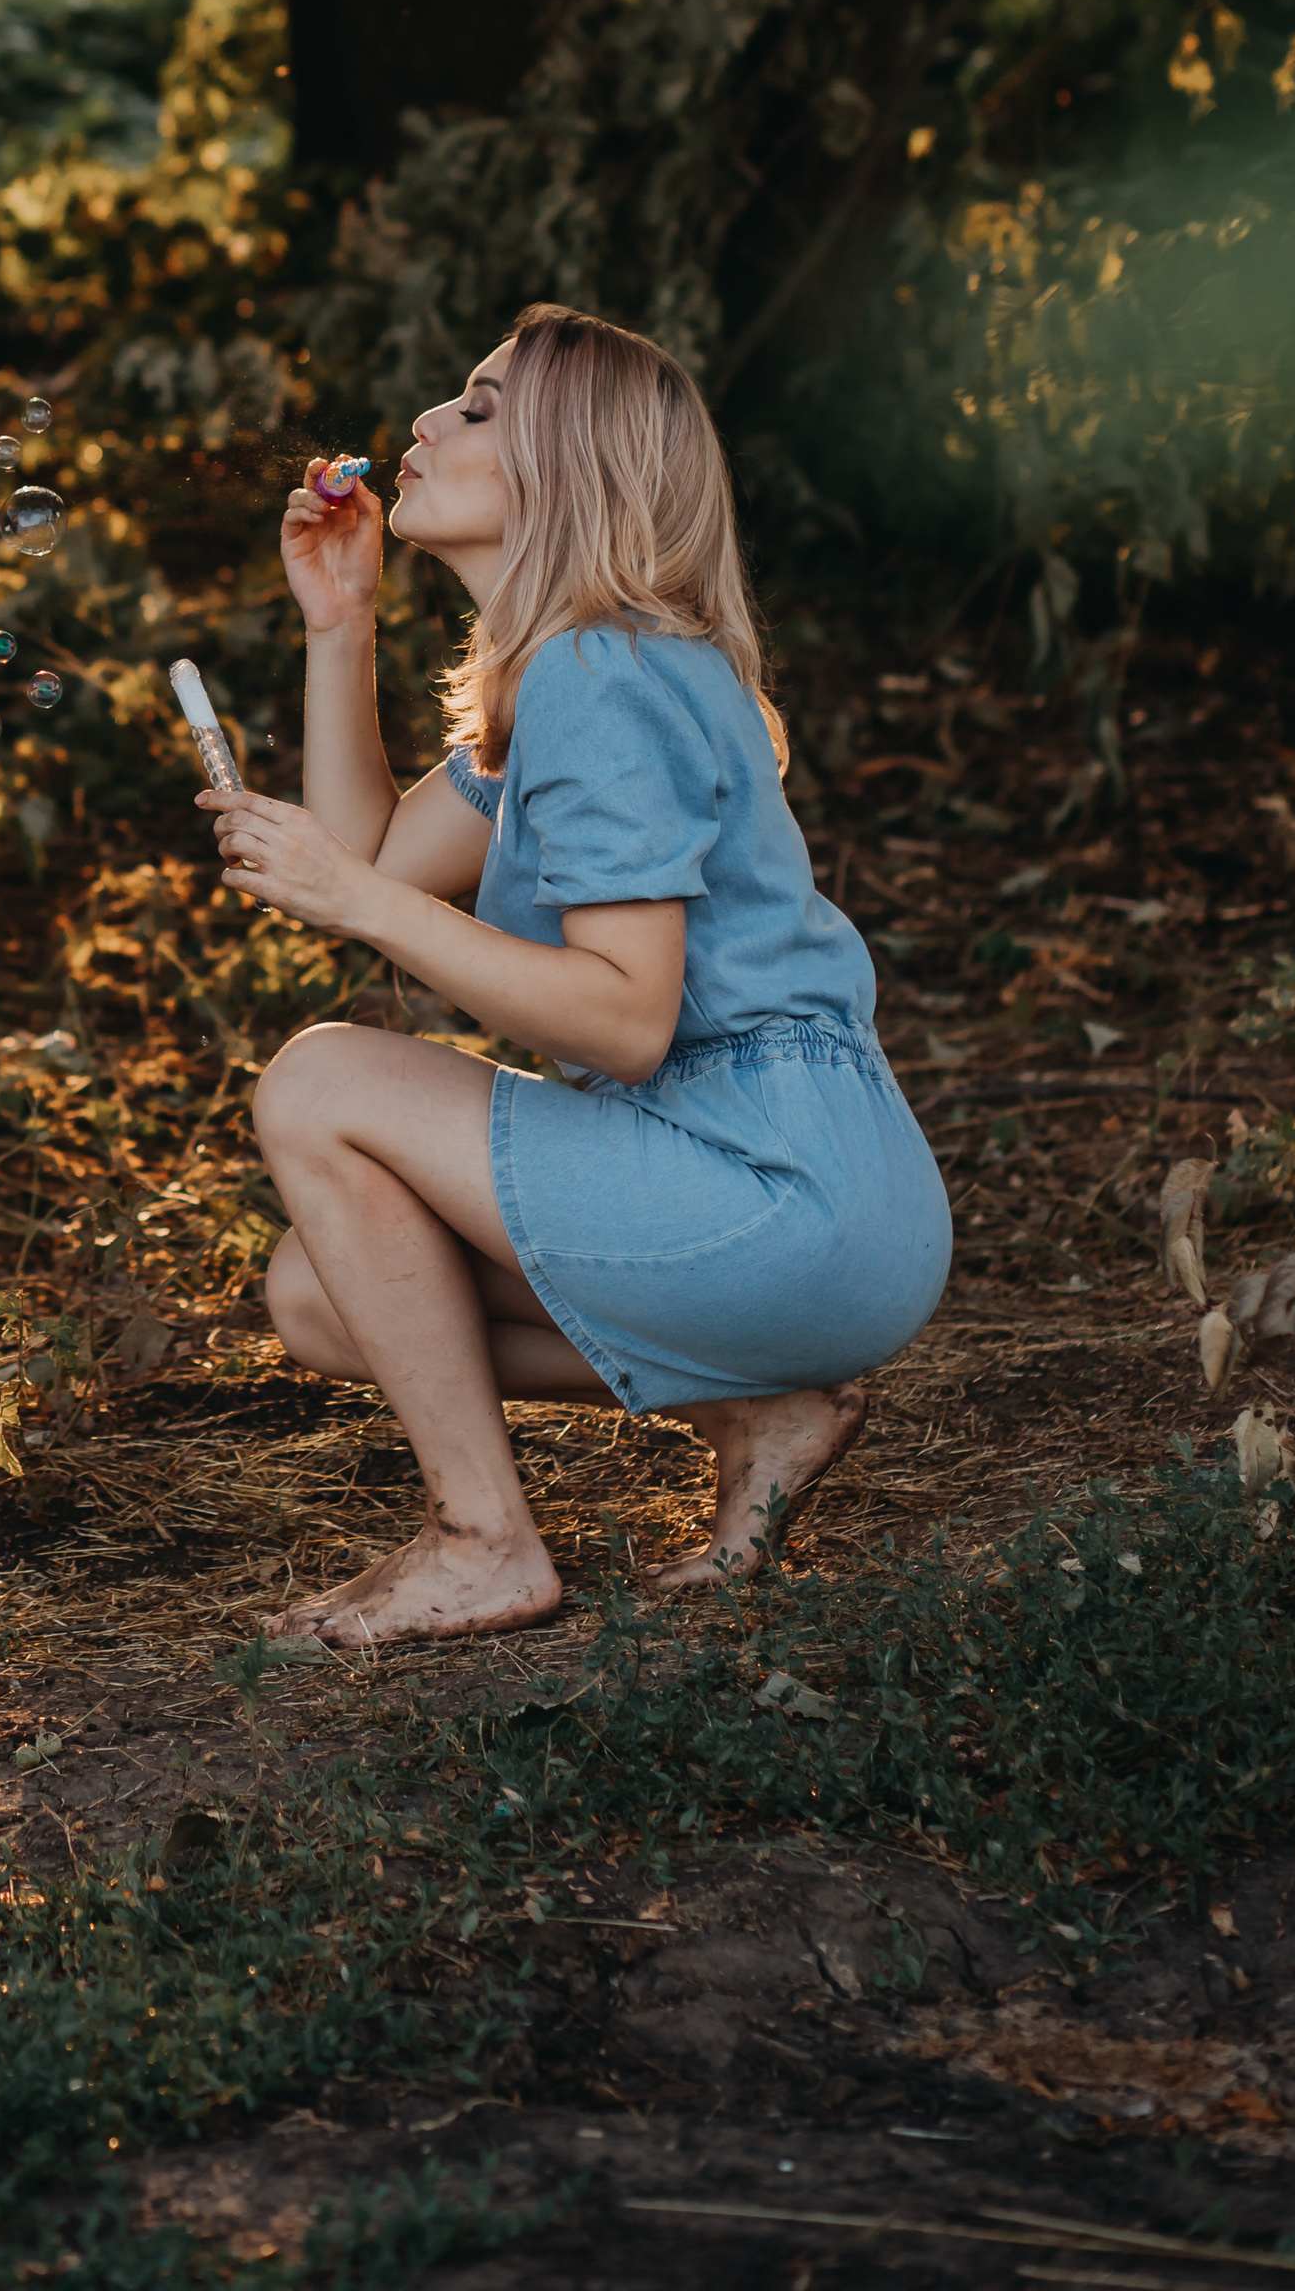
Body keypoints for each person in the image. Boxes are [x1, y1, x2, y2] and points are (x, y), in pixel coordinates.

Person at [202, 301, 950, 1647]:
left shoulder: (597, 676)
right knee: (324, 1293)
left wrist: (358, 898)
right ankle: (759, 1405)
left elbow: (625, 1019)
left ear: (578, 476)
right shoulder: (571, 679)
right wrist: (341, 625)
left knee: (317, 1079)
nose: (426, 423)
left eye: (478, 410)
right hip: (816, 1199)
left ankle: (483, 1543)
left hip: (769, 1181)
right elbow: (371, 849)